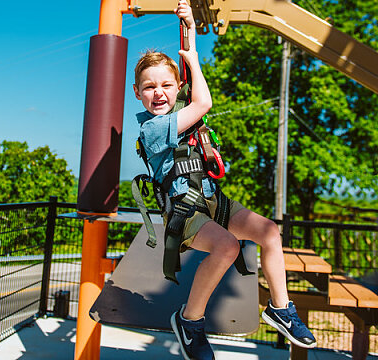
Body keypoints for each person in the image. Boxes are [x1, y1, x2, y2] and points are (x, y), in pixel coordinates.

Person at [132, 1, 317, 359]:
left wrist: (187, 24)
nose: (159, 93)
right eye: (149, 87)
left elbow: (188, 67)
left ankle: (281, 309)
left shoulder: (178, 109)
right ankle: (190, 320)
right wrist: (195, 64)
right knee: (228, 247)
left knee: (270, 232)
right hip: (185, 211)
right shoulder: (155, 128)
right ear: (137, 93)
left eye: (167, 86)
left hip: (213, 200)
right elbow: (203, 102)